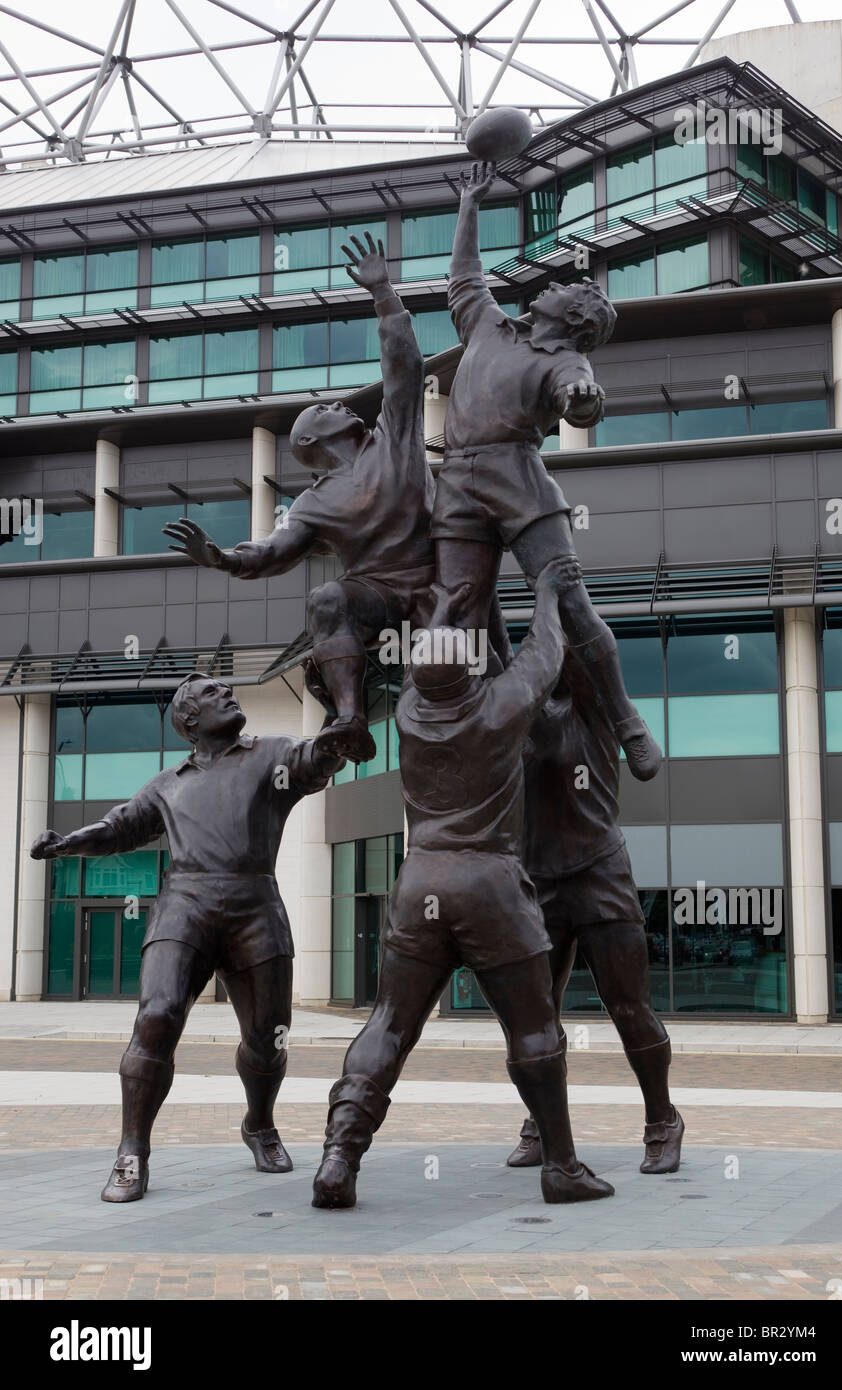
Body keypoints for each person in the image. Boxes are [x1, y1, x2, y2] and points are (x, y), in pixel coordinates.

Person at [311, 556, 616, 1210]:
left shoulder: (413, 714)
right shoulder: (501, 707)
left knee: (389, 1023)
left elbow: (444, 638)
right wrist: (547, 589)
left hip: (419, 881)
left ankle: (340, 1153)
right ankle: (560, 1164)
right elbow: (545, 651)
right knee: (534, 1028)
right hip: (491, 884)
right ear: (473, 671)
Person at [30, 674, 344, 1202]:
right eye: (212, 693)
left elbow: (320, 759)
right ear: (190, 720)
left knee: (269, 1037)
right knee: (156, 1017)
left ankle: (259, 1124)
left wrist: (341, 715)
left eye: (229, 689)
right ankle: (133, 1151)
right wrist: (66, 843)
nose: (227, 694)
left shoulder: (272, 755)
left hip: (254, 905)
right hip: (185, 906)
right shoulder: (167, 784)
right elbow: (119, 827)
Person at [163, 233, 435, 766]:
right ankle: (350, 718)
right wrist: (220, 558)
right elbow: (271, 552)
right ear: (311, 442)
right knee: (325, 599)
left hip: (443, 575)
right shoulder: (312, 504)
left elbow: (405, 369)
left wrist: (383, 292)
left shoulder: (394, 437)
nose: (340, 403)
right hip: (379, 594)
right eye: (328, 407)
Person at [429, 161, 661, 782]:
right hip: (456, 483)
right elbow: (462, 277)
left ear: (577, 318)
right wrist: (469, 204)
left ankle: (625, 720)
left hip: (518, 479)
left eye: (566, 288)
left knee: (570, 600)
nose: (553, 285)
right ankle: (498, 716)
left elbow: (580, 391)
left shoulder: (567, 362)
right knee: (457, 610)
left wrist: (583, 402)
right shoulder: (490, 326)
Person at [505, 635, 684, 1175]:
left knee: (628, 1006)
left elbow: (585, 639)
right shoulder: (514, 719)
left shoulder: (592, 706)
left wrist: (549, 580)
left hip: (599, 872)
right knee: (535, 1015)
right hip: (538, 881)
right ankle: (541, 1123)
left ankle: (662, 1120)